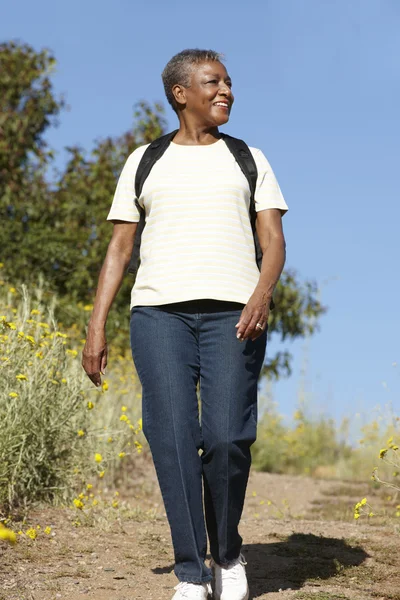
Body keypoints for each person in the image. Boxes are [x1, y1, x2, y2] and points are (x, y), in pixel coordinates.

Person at [82, 49, 287, 600]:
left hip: (234, 316)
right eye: (213, 82)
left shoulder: (249, 159)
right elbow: (119, 247)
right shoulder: (144, 160)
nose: (226, 91)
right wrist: (96, 326)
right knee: (172, 436)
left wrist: (261, 295)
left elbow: (274, 241)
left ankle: (227, 552)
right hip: (158, 315)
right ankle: (192, 572)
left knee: (226, 437)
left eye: (228, 82)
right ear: (181, 93)